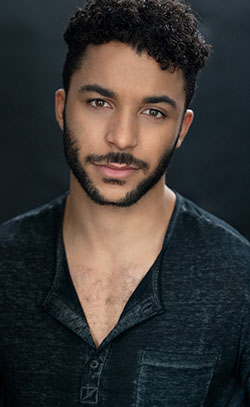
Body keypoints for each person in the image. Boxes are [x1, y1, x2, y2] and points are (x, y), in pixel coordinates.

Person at [0, 0, 250, 405]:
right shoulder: (6, 262)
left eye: (153, 111)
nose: (122, 138)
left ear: (182, 128)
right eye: (100, 103)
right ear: (62, 108)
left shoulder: (239, 280)